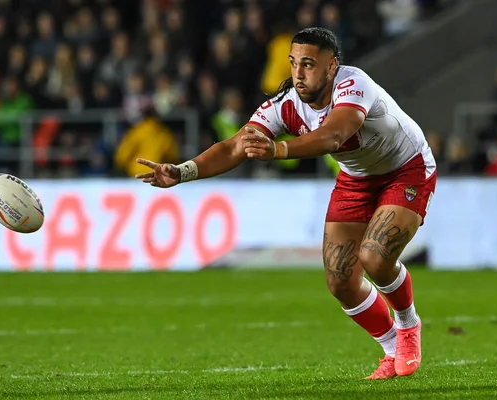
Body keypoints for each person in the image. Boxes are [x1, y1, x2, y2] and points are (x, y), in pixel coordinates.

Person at [135, 27, 436, 380]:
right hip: (356, 180)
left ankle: (407, 325)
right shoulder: (285, 105)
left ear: (332, 66)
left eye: (308, 64)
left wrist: (279, 149)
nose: (298, 72)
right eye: (294, 63)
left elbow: (335, 134)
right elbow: (236, 146)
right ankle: (389, 348)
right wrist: (183, 171)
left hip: (405, 170)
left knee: (374, 257)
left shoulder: (354, 85)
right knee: (340, 281)